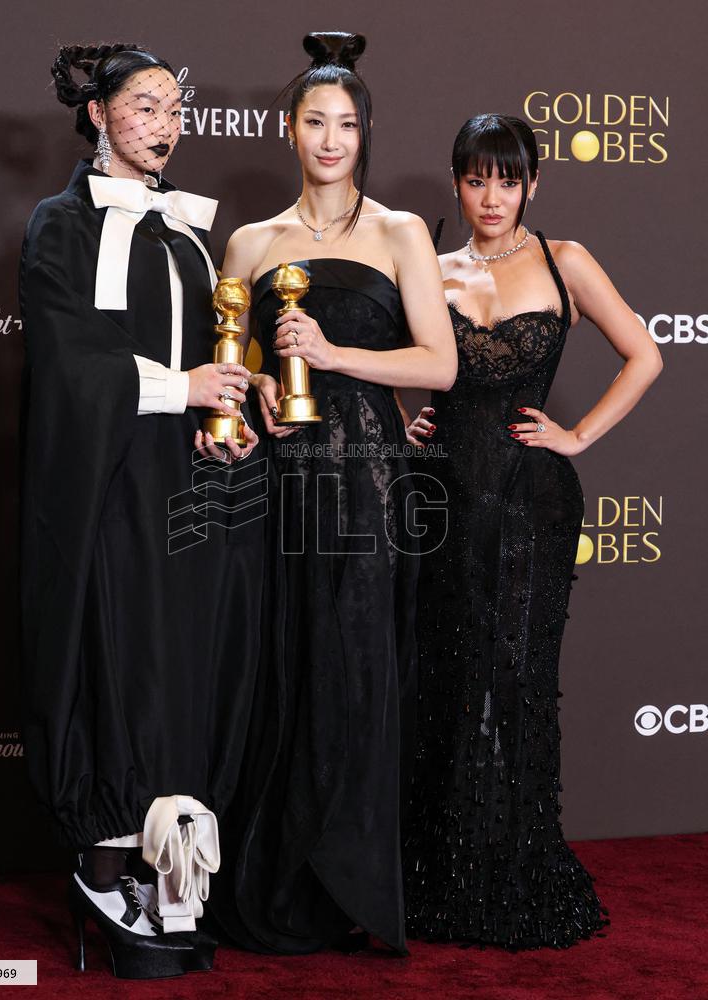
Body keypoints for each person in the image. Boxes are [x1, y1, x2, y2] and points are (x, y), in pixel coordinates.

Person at [209, 31, 457, 955]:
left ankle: (349, 880)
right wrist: (260, 384)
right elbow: (227, 361)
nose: (329, 140)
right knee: (278, 663)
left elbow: (438, 364)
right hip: (276, 480)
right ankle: (273, 876)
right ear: (288, 128)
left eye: (346, 125)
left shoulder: (399, 232)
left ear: (364, 134)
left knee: (354, 667)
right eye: (314, 122)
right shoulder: (248, 242)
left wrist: (332, 353)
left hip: (367, 483)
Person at [19, 43, 262, 978]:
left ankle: (173, 869)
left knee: (176, 660)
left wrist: (224, 415)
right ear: (98, 115)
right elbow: (69, 362)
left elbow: (212, 352)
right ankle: (103, 864)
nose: (166, 126)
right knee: (116, 653)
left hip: (186, 482)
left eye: (175, 109)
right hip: (106, 481)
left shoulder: (186, 233)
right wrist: (181, 387)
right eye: (146, 107)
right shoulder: (60, 225)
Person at [402, 113, 662, 948]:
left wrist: (577, 434)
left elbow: (645, 354)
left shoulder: (564, 261)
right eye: (476, 180)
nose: (491, 197)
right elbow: (404, 365)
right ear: (456, 183)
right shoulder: (428, 266)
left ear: (532, 185)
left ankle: (515, 867)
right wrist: (407, 421)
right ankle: (439, 868)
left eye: (507, 181)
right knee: (444, 676)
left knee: (516, 678)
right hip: (442, 498)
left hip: (530, 502)